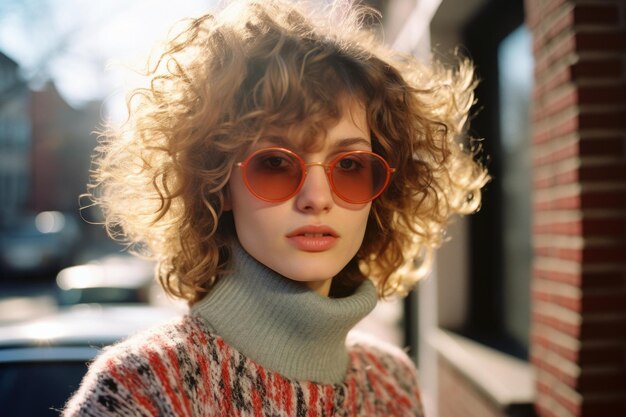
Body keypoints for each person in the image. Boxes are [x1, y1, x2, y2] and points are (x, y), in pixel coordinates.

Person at [63, 0, 488, 415]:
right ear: (216, 182)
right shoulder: (141, 389)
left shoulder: (392, 383)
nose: (317, 197)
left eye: (351, 165)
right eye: (276, 163)